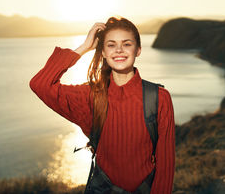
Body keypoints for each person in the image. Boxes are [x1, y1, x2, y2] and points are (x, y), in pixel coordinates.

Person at [29, 17, 175, 193]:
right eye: (111, 45)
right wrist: (84, 47)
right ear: (103, 52)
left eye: (127, 44)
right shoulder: (91, 96)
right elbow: (40, 84)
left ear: (138, 50)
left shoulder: (158, 98)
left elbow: (166, 163)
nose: (119, 50)